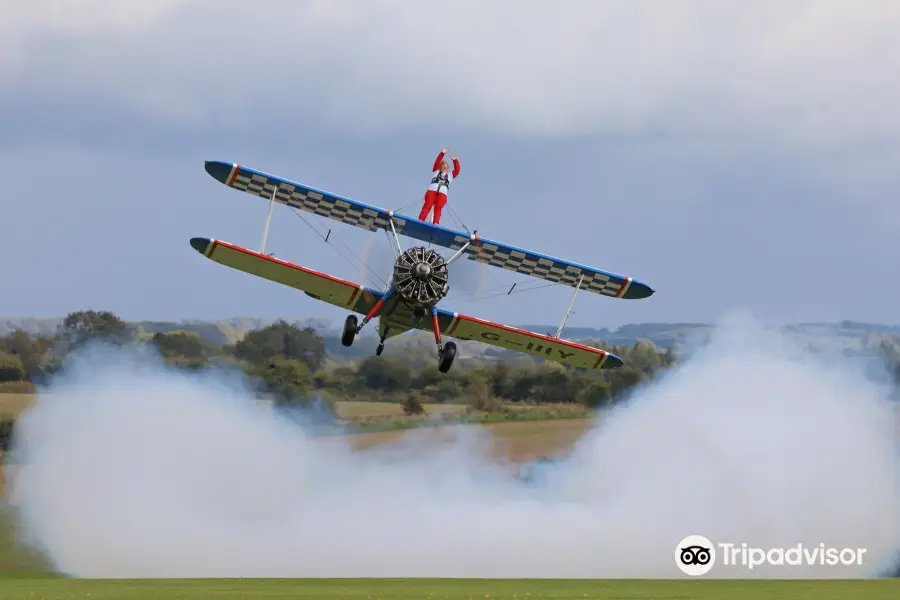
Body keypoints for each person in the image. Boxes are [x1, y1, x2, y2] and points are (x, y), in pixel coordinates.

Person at [418, 147, 460, 225]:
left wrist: (455, 161)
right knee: (427, 205)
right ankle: (421, 219)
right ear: (440, 167)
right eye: (443, 165)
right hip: (431, 191)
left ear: (448, 167)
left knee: (438, 208)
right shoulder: (436, 171)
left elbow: (457, 170)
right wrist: (442, 153)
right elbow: (437, 162)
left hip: (442, 194)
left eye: (446, 165)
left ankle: (436, 222)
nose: (444, 166)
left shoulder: (450, 175)